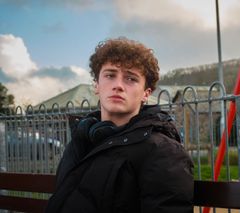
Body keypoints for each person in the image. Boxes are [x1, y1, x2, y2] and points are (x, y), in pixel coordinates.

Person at [45, 37, 194, 213]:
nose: (118, 86)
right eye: (110, 75)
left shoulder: (163, 151)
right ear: (96, 85)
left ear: (146, 94)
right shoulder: (81, 140)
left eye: (130, 79)